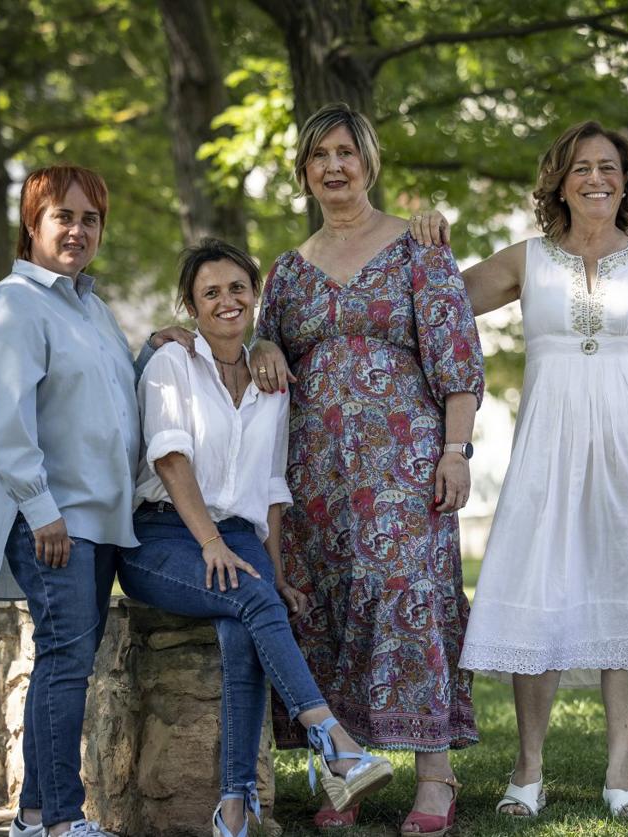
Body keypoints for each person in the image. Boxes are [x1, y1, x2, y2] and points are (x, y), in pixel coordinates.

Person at [438, 121, 628, 819]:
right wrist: (422, 237)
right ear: (560, 180)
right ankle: (527, 771)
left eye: (609, 167)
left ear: (626, 180)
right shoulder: (529, 259)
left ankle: (621, 775)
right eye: (581, 168)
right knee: (539, 592)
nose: (596, 179)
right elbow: (440, 298)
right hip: (548, 452)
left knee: (627, 594)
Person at [248, 102, 484, 835]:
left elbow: (458, 358)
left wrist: (455, 449)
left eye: (346, 152)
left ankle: (436, 779)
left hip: (406, 468)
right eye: (319, 156)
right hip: (317, 476)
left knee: (409, 598)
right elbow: (254, 347)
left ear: (368, 161)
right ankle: (341, 771)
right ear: (304, 172)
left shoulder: (419, 248)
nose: (334, 166)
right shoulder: (286, 273)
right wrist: (259, 346)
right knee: (330, 614)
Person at [117, 239, 393, 837]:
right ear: (190, 304)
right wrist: (210, 544)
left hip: (239, 534)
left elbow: (270, 487)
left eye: (237, 288)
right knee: (249, 598)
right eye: (210, 292)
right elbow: (169, 460)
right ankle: (334, 740)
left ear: (254, 295)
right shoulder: (173, 364)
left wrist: (278, 567)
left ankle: (234, 812)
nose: (226, 301)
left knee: (247, 624)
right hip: (162, 535)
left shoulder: (273, 378)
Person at [0, 165, 189, 837]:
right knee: (65, 663)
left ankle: (35, 816)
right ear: (32, 225)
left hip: (94, 519)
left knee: (66, 661)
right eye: (63, 216)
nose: (78, 229)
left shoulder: (87, 306)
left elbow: (111, 400)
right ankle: (61, 819)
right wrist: (42, 511)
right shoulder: (14, 305)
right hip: (54, 521)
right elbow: (6, 425)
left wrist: (152, 349)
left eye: (90, 218)